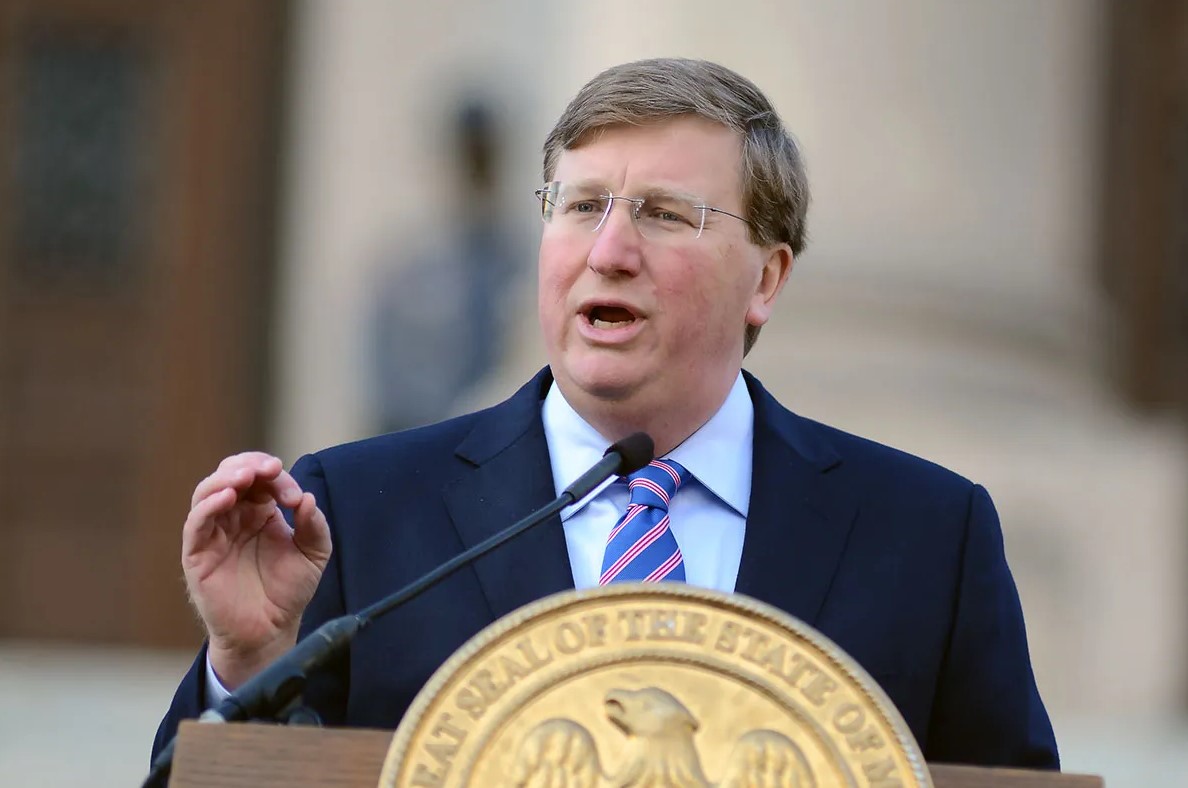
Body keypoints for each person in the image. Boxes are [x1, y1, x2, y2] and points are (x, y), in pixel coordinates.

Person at [153, 58, 1059, 769]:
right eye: (582, 206)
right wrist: (251, 662)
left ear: (768, 278)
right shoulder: (358, 511)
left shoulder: (926, 533)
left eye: (664, 214)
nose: (609, 251)